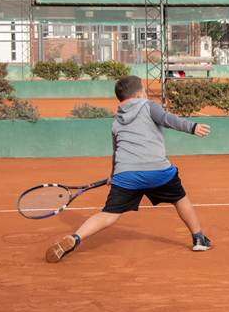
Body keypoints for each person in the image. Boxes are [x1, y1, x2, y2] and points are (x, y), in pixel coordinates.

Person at [46, 75, 212, 263]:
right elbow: (167, 119)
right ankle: (199, 238)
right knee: (180, 199)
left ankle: (75, 238)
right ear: (140, 93)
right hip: (158, 171)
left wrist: (113, 175)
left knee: (108, 214)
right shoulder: (148, 105)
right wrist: (192, 127)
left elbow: (116, 152)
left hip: (126, 175)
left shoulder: (117, 121)